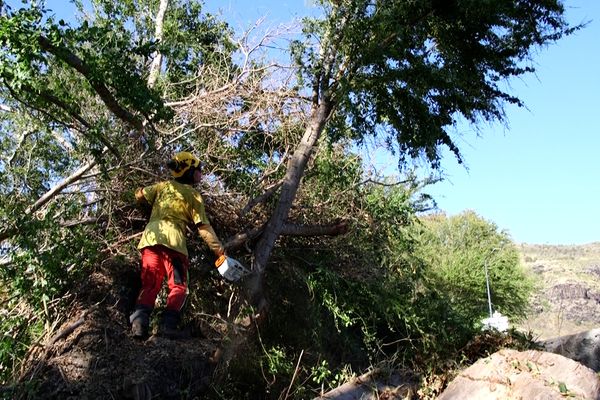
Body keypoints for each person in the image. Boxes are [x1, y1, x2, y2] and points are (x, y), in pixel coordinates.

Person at [129, 151, 225, 339]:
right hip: (174, 243)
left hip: (150, 238)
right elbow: (203, 227)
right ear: (188, 171)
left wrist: (144, 201)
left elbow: (139, 195)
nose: (201, 174)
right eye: (198, 170)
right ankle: (167, 326)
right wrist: (219, 250)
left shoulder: (162, 187)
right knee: (178, 286)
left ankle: (139, 324)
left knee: (150, 284)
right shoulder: (193, 195)